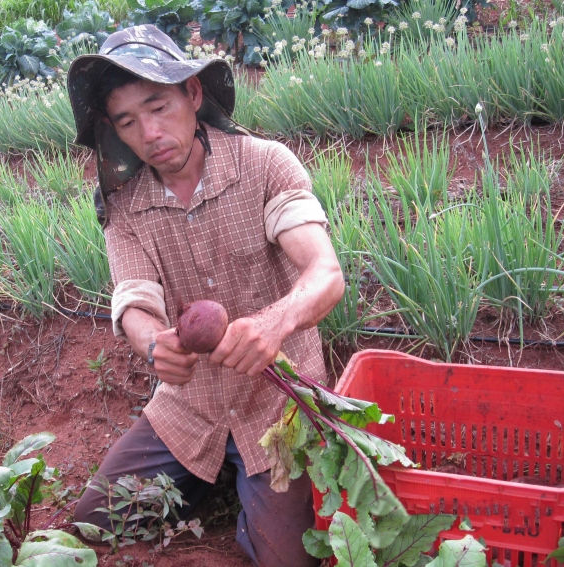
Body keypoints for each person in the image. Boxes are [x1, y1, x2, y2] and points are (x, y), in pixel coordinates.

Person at [67, 25, 345, 567]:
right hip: (189, 408)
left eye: (159, 106)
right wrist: (153, 344)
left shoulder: (265, 164)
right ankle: (214, 472)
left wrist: (277, 321)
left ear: (193, 94)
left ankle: (242, 492)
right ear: (113, 131)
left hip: (279, 404)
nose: (150, 133)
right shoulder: (124, 209)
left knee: (290, 560)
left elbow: (325, 271)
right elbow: (135, 302)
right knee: (95, 521)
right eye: (127, 122)